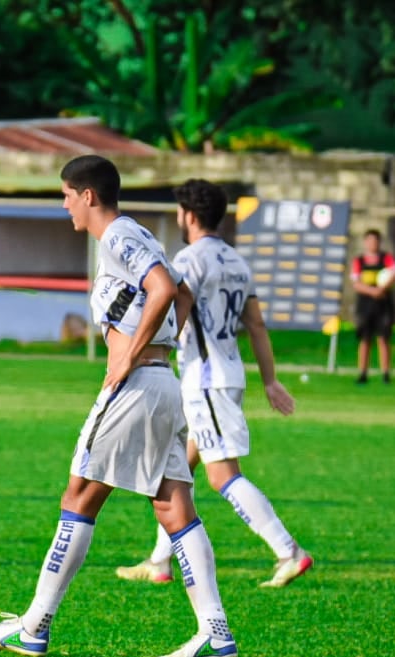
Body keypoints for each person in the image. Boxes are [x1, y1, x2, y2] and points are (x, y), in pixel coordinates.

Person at [0, 155, 238, 657]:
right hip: (163, 383)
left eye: (67, 194)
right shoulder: (131, 235)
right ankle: (215, 631)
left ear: (88, 195)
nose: (64, 204)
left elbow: (164, 288)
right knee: (174, 504)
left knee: (79, 495)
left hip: (136, 386)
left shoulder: (117, 235)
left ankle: (34, 625)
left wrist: (131, 355)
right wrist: (157, 347)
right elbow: (179, 293)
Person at [117, 179, 313, 589]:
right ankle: (159, 561)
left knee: (222, 475)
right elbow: (255, 324)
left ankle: (288, 551)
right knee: (176, 465)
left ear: (187, 215)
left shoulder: (188, 259)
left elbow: (180, 312)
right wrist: (271, 380)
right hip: (225, 375)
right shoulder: (237, 262)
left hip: (204, 381)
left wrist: (151, 360)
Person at [350, 229, 395, 384]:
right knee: (365, 339)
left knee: (383, 338)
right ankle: (363, 373)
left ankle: (385, 374)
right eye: (370, 240)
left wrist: (382, 289)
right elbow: (356, 283)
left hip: (383, 303)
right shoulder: (359, 261)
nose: (373, 244)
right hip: (366, 304)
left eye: (375, 241)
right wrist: (372, 291)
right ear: (365, 242)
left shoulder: (386, 259)